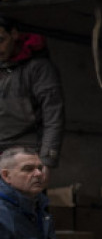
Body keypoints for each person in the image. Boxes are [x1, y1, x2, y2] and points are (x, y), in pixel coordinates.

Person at [0, 15, 65, 169]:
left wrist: (46, 161)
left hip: (25, 154)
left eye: (0, 40)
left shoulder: (38, 68)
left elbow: (53, 117)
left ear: (14, 34)